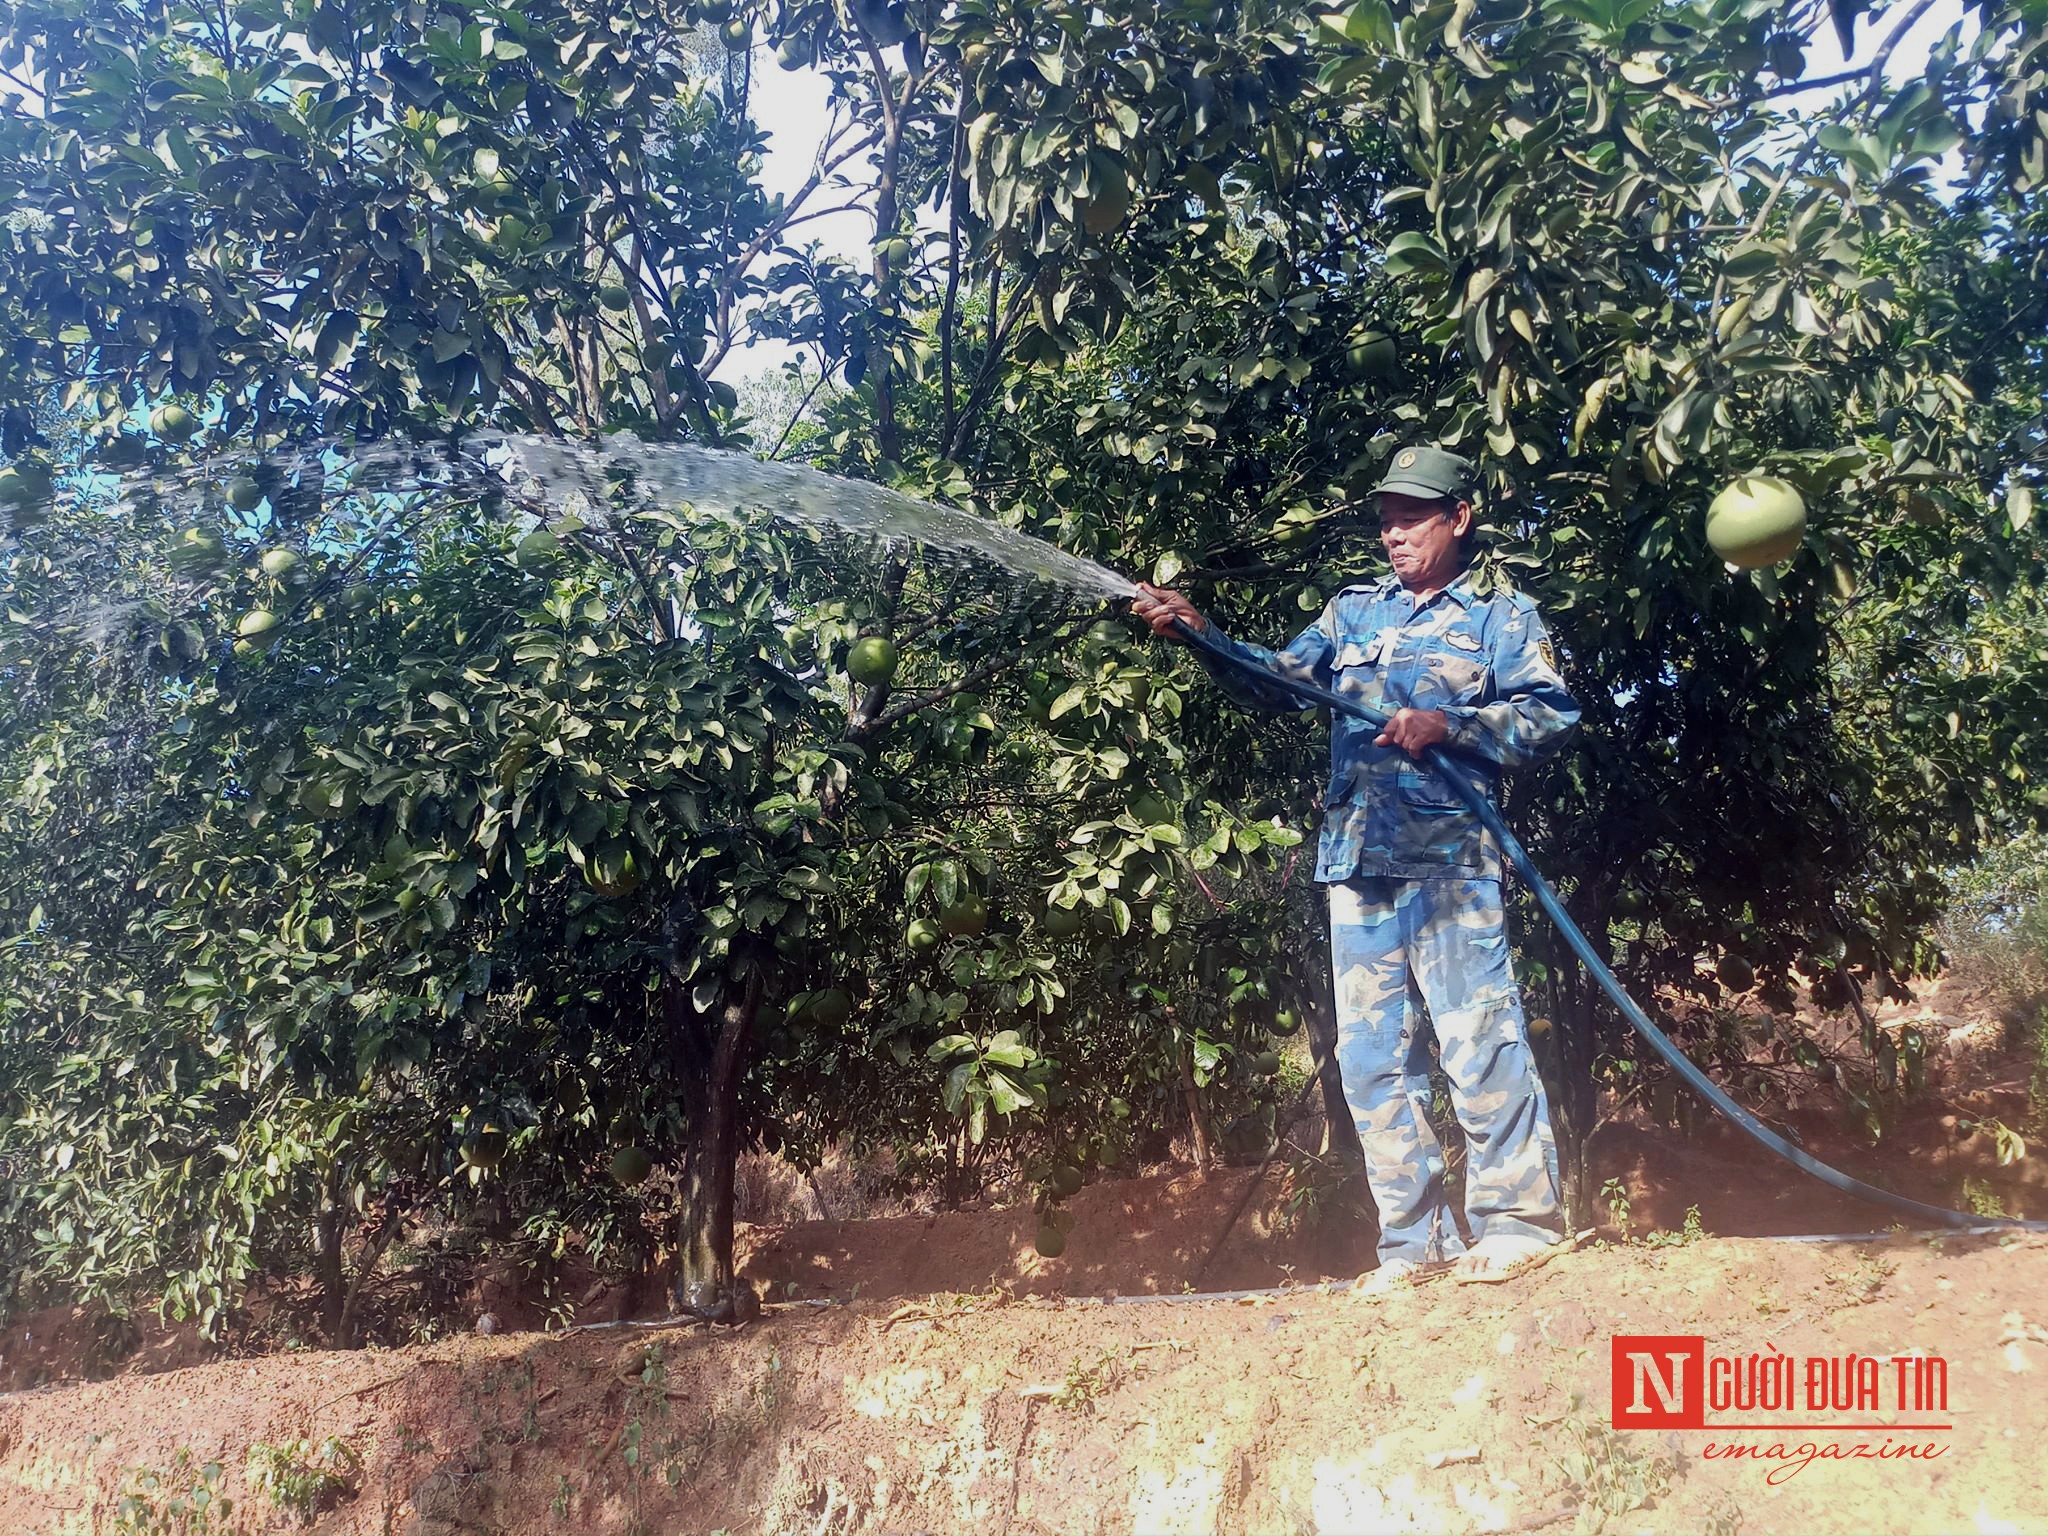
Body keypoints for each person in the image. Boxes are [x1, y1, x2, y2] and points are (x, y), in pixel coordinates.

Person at [1131, 445, 1579, 1282]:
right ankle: (1416, 1246)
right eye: (1386, 518)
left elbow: (1550, 715)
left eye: (1413, 516)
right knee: (1373, 1061)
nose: (1395, 532)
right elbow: (1276, 684)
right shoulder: (1350, 614)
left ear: (1458, 519)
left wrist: (1451, 726)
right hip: (1356, 866)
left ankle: (1519, 1226)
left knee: (1476, 1038)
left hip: (1450, 866)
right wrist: (1200, 633)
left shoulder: (1498, 617)